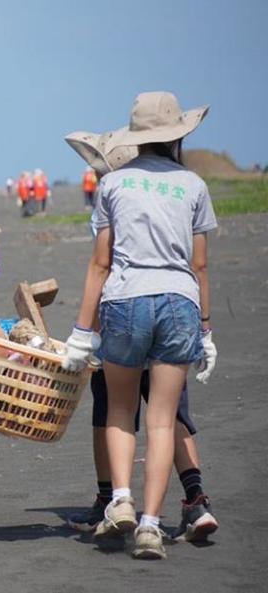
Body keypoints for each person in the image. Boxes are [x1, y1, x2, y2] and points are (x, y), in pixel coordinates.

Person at [62, 92, 219, 560]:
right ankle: (151, 526)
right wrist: (206, 331)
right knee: (163, 419)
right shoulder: (193, 185)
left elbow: (100, 263)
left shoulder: (114, 184)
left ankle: (121, 501)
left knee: (119, 410)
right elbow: (201, 266)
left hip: (126, 300)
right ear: (177, 135)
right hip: (179, 302)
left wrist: (80, 332)